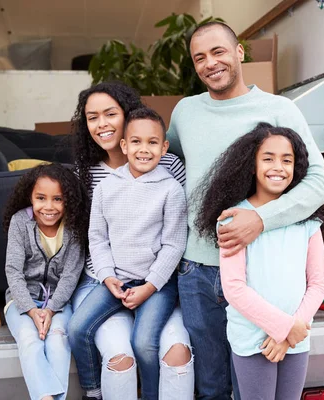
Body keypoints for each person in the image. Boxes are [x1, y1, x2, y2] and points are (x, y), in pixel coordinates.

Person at [166, 21, 324, 399]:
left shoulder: (278, 109)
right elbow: (164, 165)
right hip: (198, 272)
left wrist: (260, 219)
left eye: (218, 51)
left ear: (239, 52)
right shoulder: (185, 112)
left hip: (259, 276)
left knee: (254, 388)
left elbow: (319, 185)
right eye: (200, 58)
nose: (210, 63)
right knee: (210, 386)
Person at [195, 123, 324, 399]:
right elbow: (234, 288)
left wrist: (290, 332)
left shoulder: (306, 220)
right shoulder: (234, 219)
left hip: (296, 338)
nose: (278, 167)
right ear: (252, 165)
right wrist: (284, 329)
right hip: (253, 340)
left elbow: (318, 283)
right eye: (268, 158)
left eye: (287, 160)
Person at [70, 82, 193, 400]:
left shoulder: (170, 180)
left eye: (110, 113)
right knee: (77, 327)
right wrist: (108, 276)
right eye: (92, 117)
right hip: (110, 277)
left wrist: (151, 285)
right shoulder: (98, 180)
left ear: (164, 147)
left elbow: (175, 240)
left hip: (157, 281)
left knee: (143, 341)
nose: (102, 123)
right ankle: (94, 392)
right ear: (125, 144)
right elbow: (96, 237)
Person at [3, 163, 88, 400]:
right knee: (30, 340)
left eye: (57, 199)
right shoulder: (20, 222)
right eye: (41, 198)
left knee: (58, 339)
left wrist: (50, 310)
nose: (48, 207)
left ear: (68, 200)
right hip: (21, 302)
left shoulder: (74, 227)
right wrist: (31, 310)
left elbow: (71, 275)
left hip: (58, 303)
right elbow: (13, 270)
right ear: (30, 196)